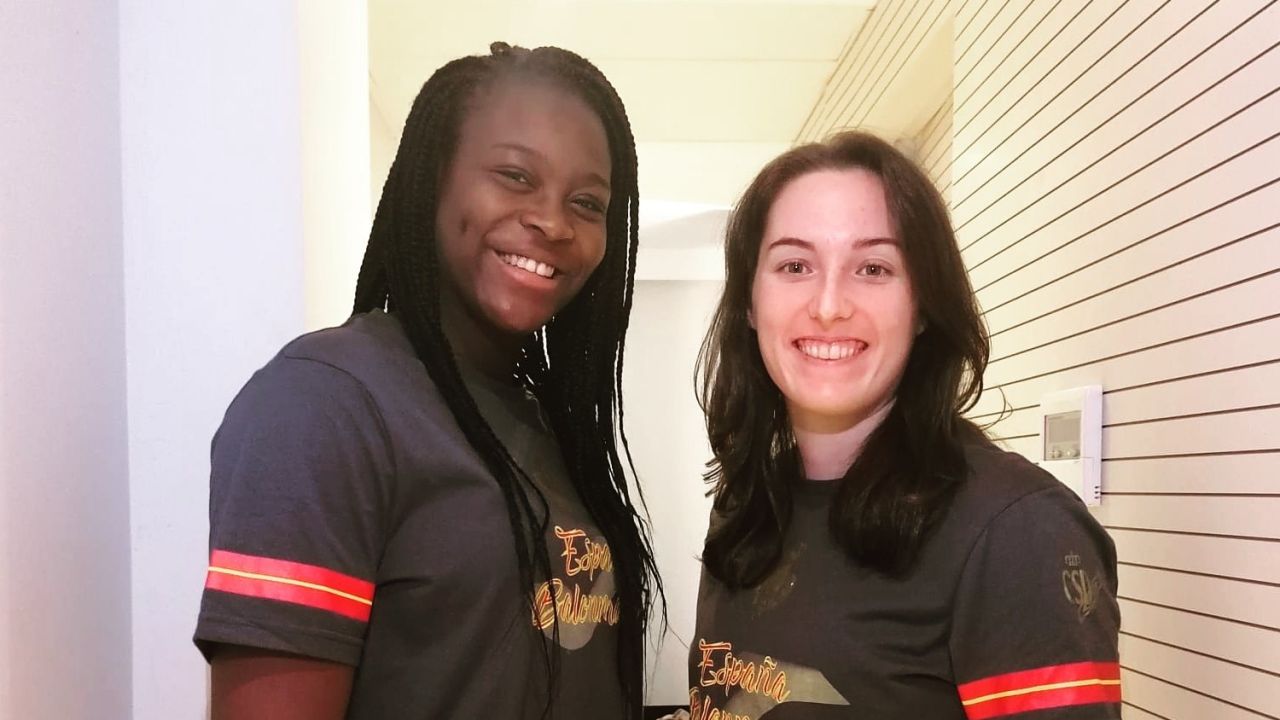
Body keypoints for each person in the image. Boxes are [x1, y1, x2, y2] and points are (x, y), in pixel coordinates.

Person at [194, 42, 662, 720]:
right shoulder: (324, 404)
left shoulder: (542, 423)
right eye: (515, 175)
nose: (553, 222)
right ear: (431, 179)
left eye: (587, 202)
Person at [687, 131, 1120, 719]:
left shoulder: (1017, 531)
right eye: (795, 265)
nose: (829, 305)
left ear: (921, 306)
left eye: (873, 267)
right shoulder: (748, 504)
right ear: (748, 302)